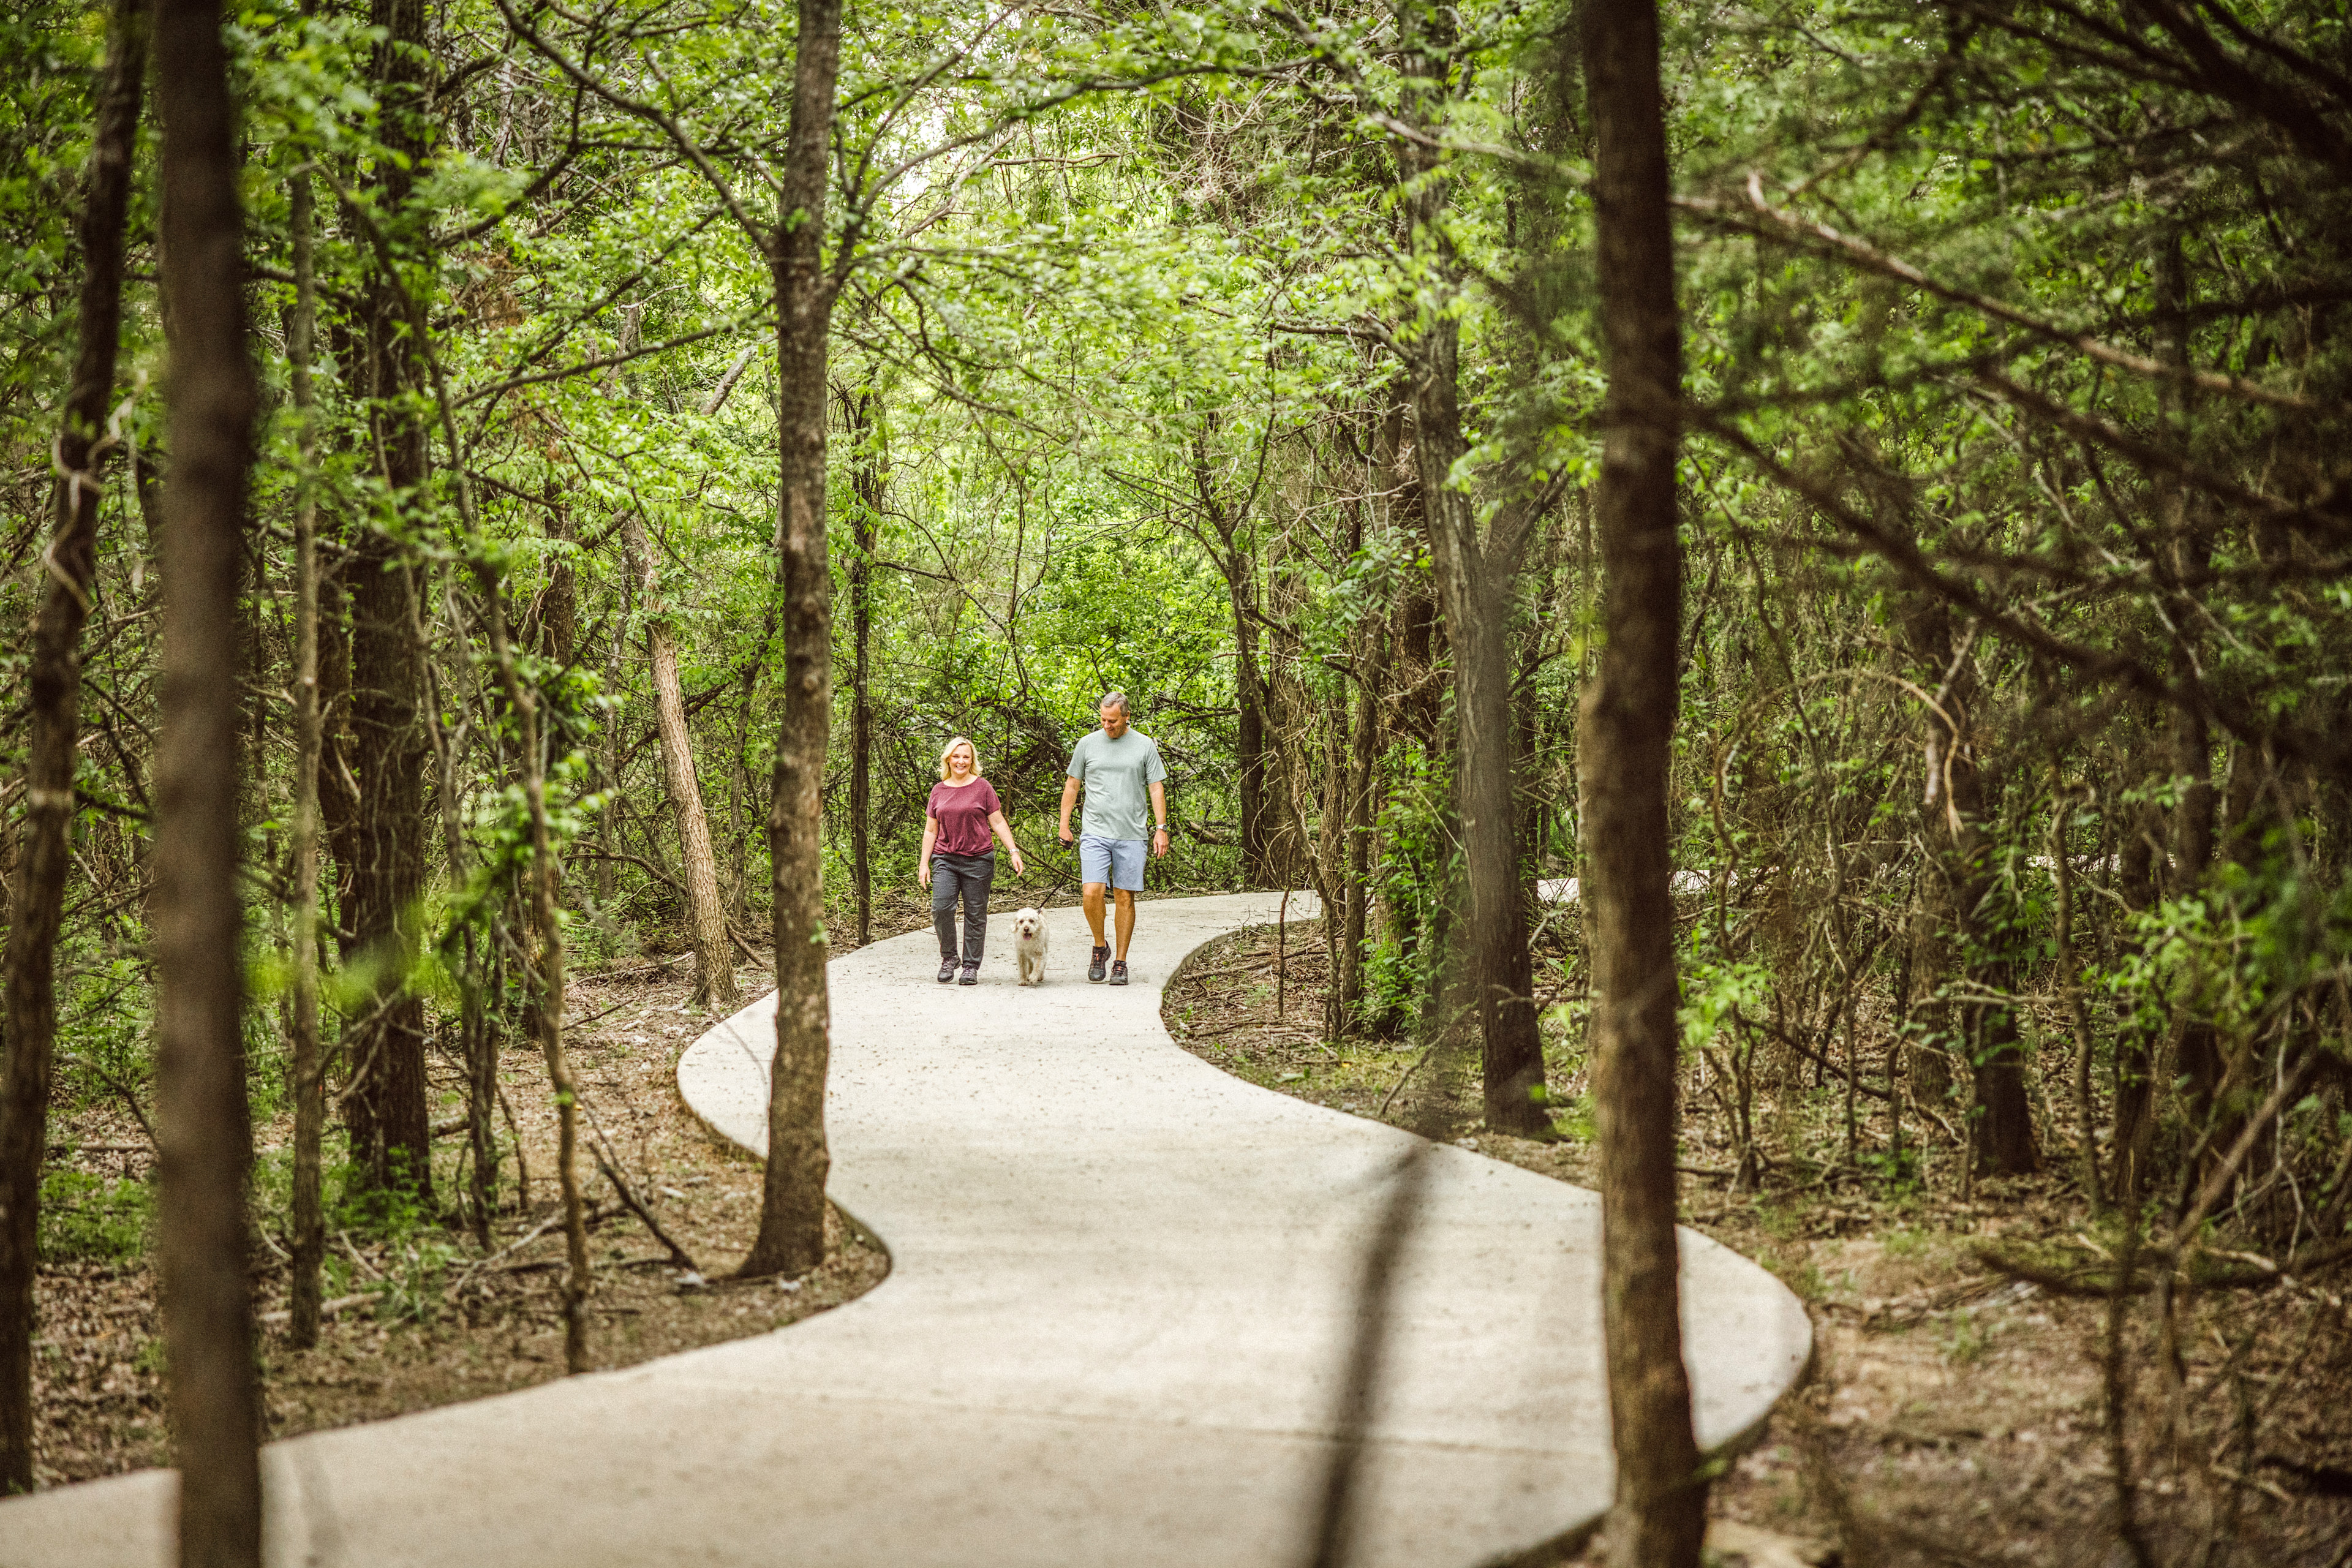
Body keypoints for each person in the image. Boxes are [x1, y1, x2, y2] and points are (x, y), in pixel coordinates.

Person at [1056, 690, 1169, 986]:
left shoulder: (1144, 746)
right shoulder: (1087, 744)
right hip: (1095, 831)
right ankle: (1099, 947)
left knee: (1124, 897)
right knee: (1091, 892)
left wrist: (1161, 828)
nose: (1107, 726)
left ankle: (1120, 961)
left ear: (1127, 717)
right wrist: (1064, 825)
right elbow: (1072, 786)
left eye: (1113, 721)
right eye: (1104, 720)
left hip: (1131, 834)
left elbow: (1156, 788)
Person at [920, 736, 1025, 985]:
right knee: (941, 908)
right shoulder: (939, 790)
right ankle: (949, 958)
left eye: (966, 757)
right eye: (956, 756)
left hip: (979, 860)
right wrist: (924, 863)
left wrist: (1013, 851)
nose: (961, 761)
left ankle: (970, 966)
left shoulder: (983, 787)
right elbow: (930, 830)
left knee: (975, 914)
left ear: (972, 760)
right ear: (948, 759)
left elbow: (998, 821)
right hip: (945, 858)